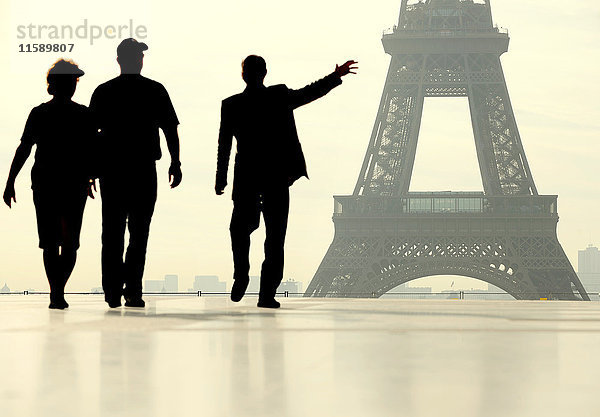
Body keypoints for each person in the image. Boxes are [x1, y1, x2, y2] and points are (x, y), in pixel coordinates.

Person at [216, 55, 357, 308]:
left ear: (243, 74)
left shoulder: (231, 105)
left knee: (239, 230)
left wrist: (220, 178)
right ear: (265, 72)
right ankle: (267, 293)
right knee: (275, 237)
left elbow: (224, 145)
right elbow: (309, 93)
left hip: (247, 178)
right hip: (276, 177)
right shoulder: (278, 96)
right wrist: (336, 76)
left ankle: (241, 274)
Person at [89, 38, 182, 308]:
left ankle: (112, 290)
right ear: (138, 60)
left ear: (119, 60)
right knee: (139, 232)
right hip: (142, 168)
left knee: (113, 231)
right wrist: (175, 162)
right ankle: (132, 290)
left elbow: (90, 136)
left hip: (112, 169)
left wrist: (90, 171)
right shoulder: (154, 90)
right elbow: (169, 129)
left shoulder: (104, 92)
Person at [3, 59, 94, 309]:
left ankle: (56, 291)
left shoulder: (42, 113)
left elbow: (24, 149)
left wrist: (10, 181)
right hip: (67, 183)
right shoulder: (81, 115)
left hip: (49, 182)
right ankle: (58, 291)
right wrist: (90, 177)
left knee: (52, 241)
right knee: (67, 242)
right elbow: (92, 151)